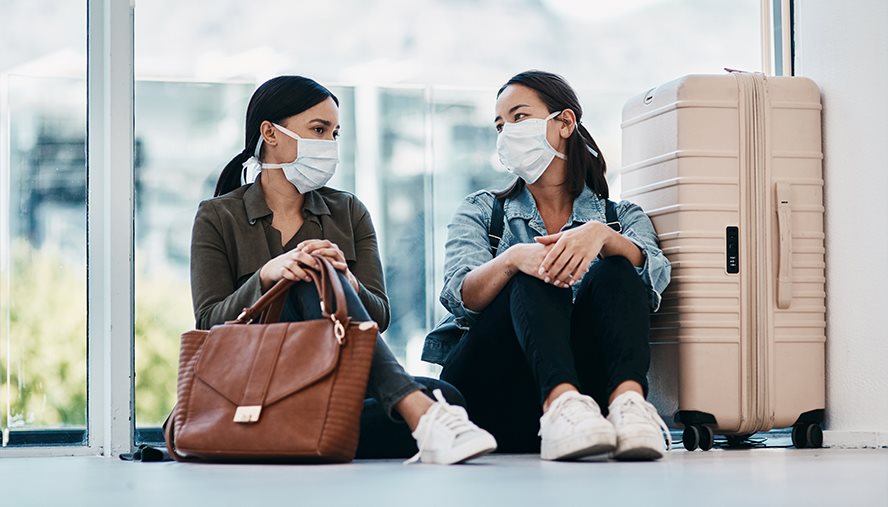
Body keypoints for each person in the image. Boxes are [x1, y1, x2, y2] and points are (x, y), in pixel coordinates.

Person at [190, 75, 496, 465]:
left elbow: (380, 314)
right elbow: (208, 322)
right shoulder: (218, 216)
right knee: (307, 275)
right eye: (319, 130)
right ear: (270, 133)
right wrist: (268, 275)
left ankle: (290, 433)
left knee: (449, 396)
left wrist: (346, 281)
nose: (330, 144)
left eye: (335, 134)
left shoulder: (348, 212)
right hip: (255, 386)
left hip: (333, 379)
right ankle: (411, 410)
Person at [430, 70, 672, 461]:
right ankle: (559, 403)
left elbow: (654, 280)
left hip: (590, 405)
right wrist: (512, 260)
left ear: (565, 122)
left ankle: (630, 409)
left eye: (519, 117)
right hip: (495, 389)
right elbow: (461, 297)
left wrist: (604, 237)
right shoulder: (480, 210)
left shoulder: (620, 216)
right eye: (499, 124)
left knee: (617, 268)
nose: (506, 131)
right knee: (534, 273)